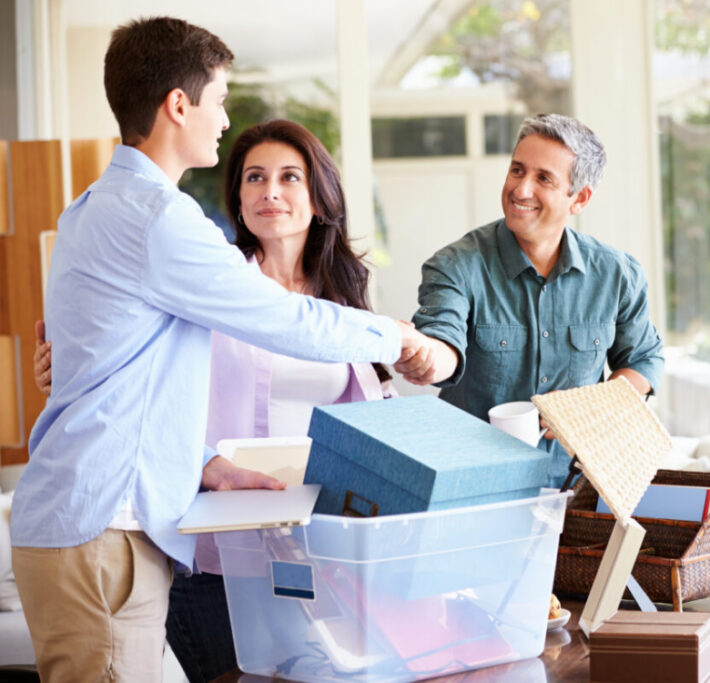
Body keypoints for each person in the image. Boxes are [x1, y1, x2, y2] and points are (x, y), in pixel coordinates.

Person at [11, 17, 426, 681]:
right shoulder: (159, 219)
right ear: (180, 103)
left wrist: (205, 460)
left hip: (92, 526)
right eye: (222, 98)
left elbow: (122, 377)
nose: (226, 117)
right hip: (105, 532)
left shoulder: (92, 207)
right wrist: (398, 337)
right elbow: (275, 316)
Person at [394, 113, 664, 487]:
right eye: (517, 171)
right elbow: (442, 338)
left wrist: (590, 410)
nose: (520, 190)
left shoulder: (618, 274)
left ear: (579, 198)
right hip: (472, 487)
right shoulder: (455, 266)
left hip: (580, 489)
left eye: (543, 179)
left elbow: (643, 359)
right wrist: (426, 358)